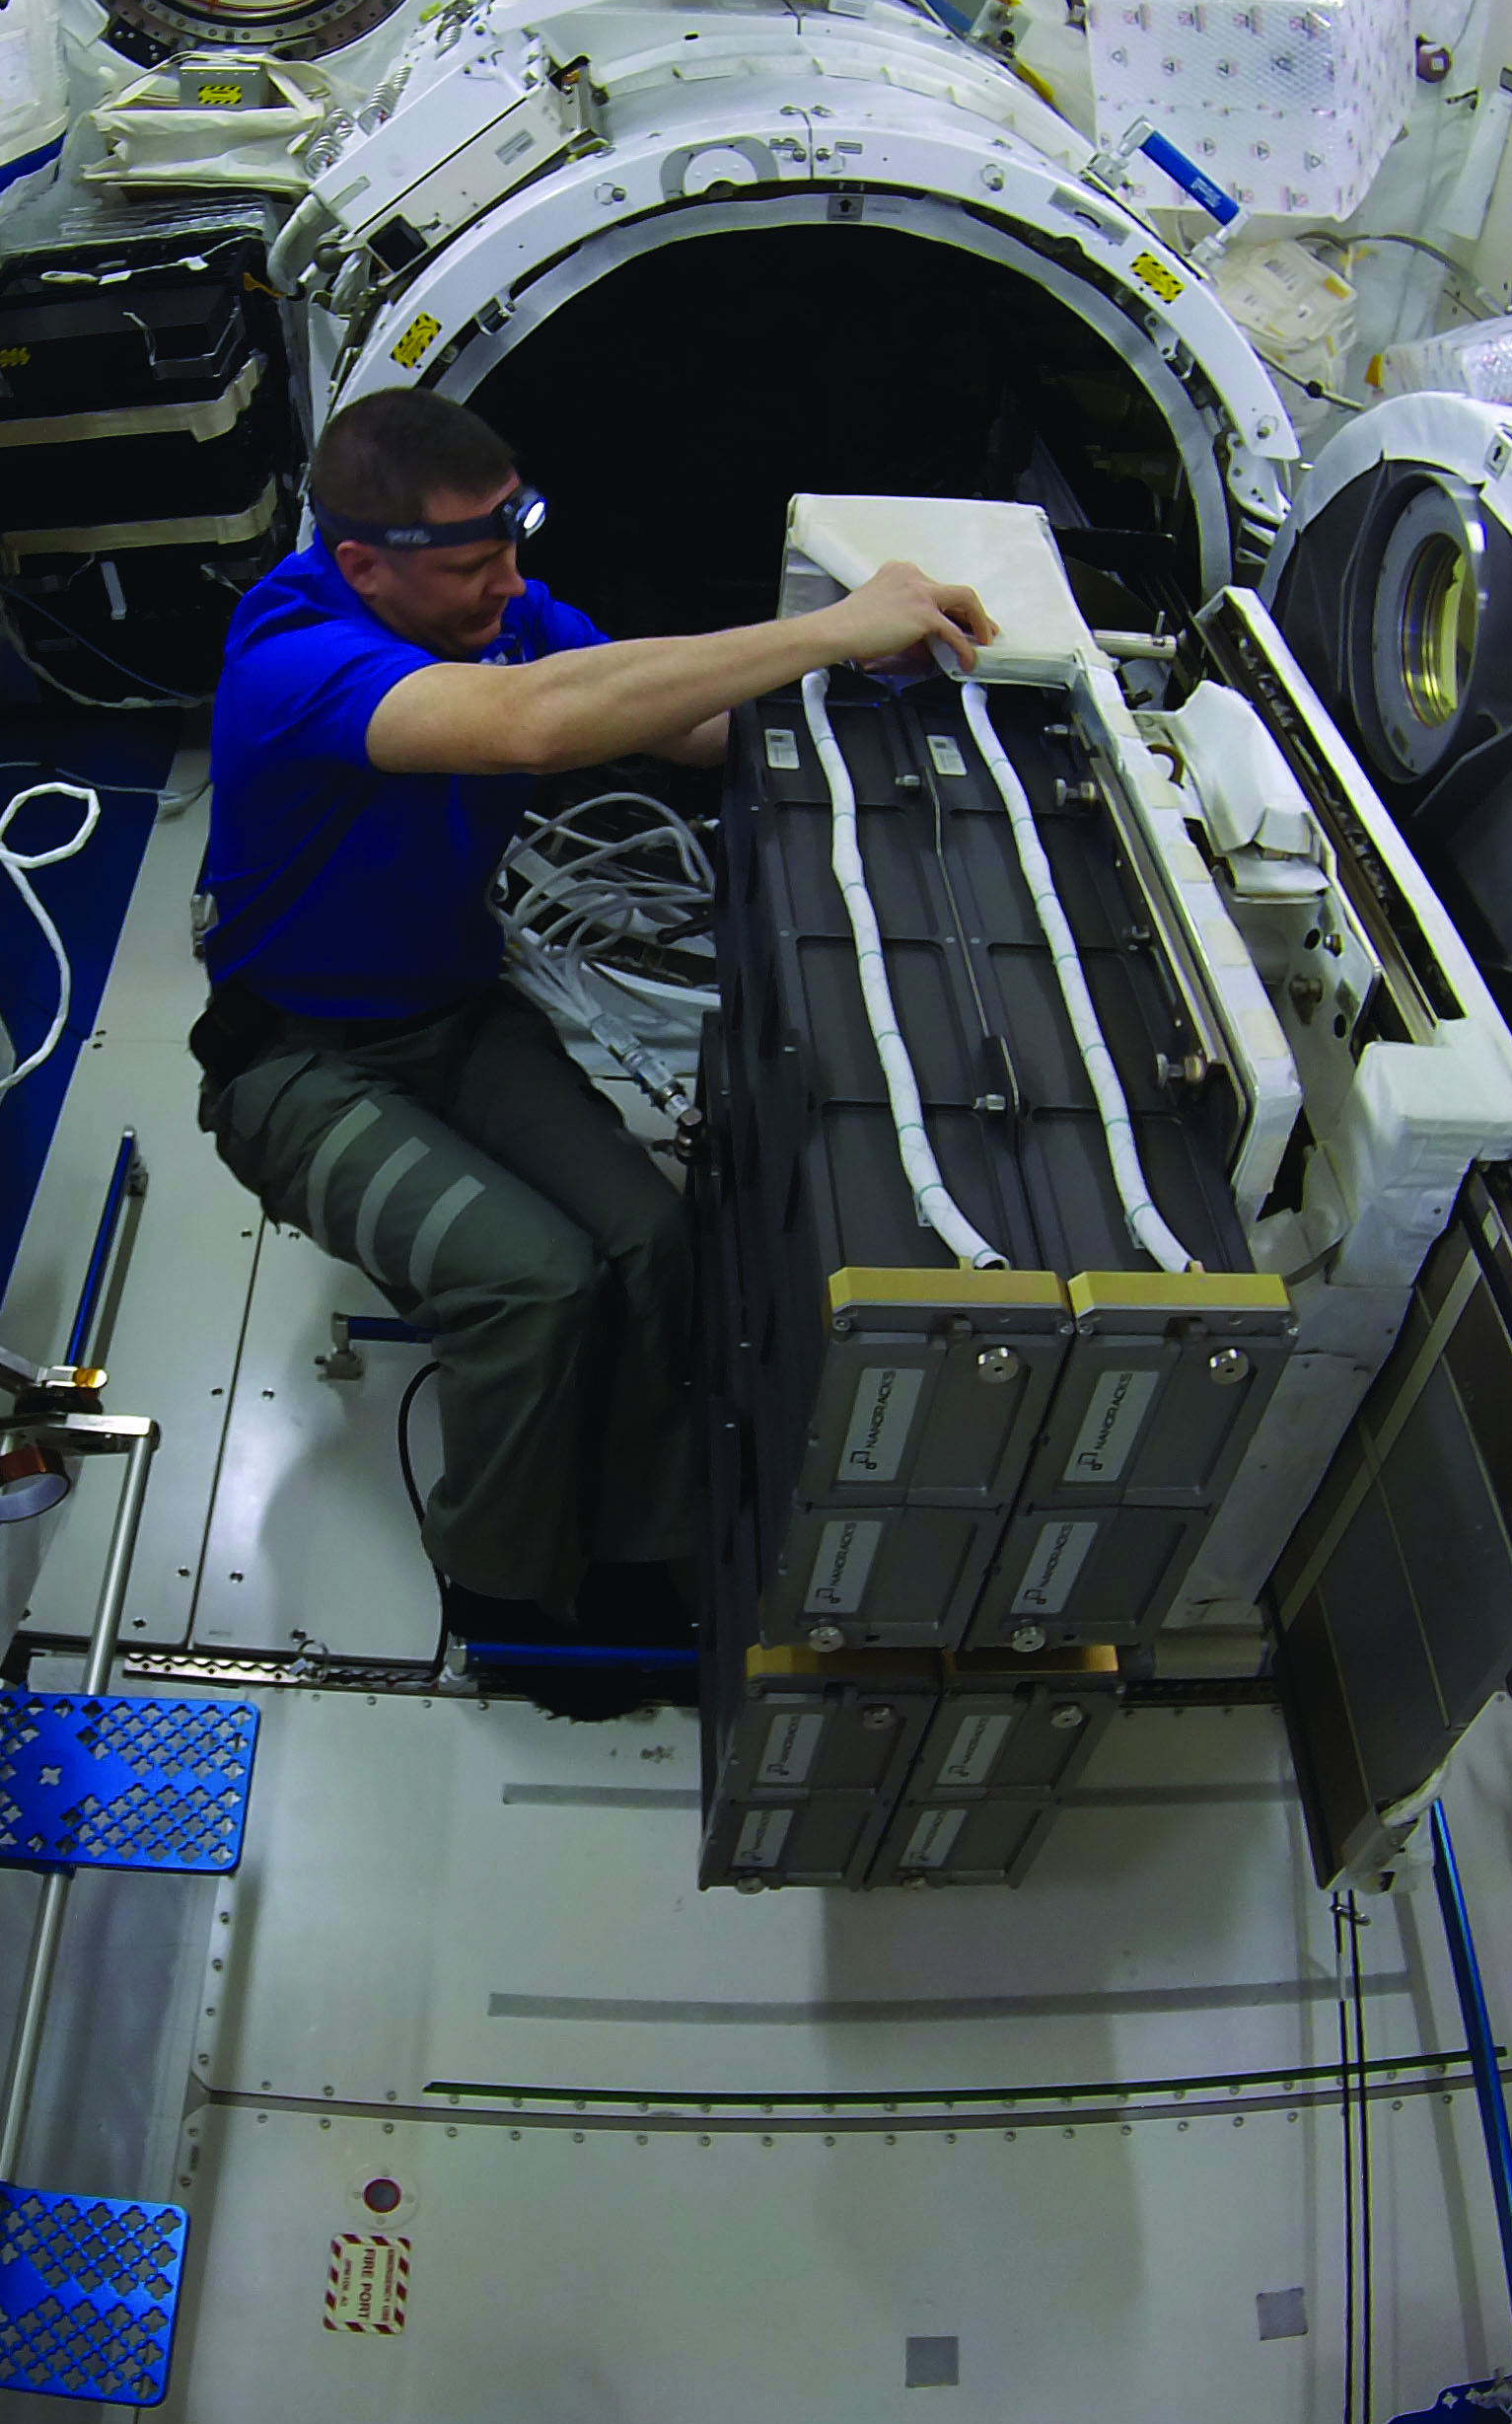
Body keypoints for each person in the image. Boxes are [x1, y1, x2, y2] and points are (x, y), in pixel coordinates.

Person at [192, 385, 994, 1659]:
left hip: (454, 1021)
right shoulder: (292, 658)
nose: (511, 584)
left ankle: (632, 1548)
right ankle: (500, 1589)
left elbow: (689, 724)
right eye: (473, 562)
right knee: (536, 1285)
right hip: (297, 1065)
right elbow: (531, 728)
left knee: (653, 1246)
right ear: (362, 567)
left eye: (518, 543)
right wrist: (836, 623)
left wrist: (874, 678)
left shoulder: (506, 620)